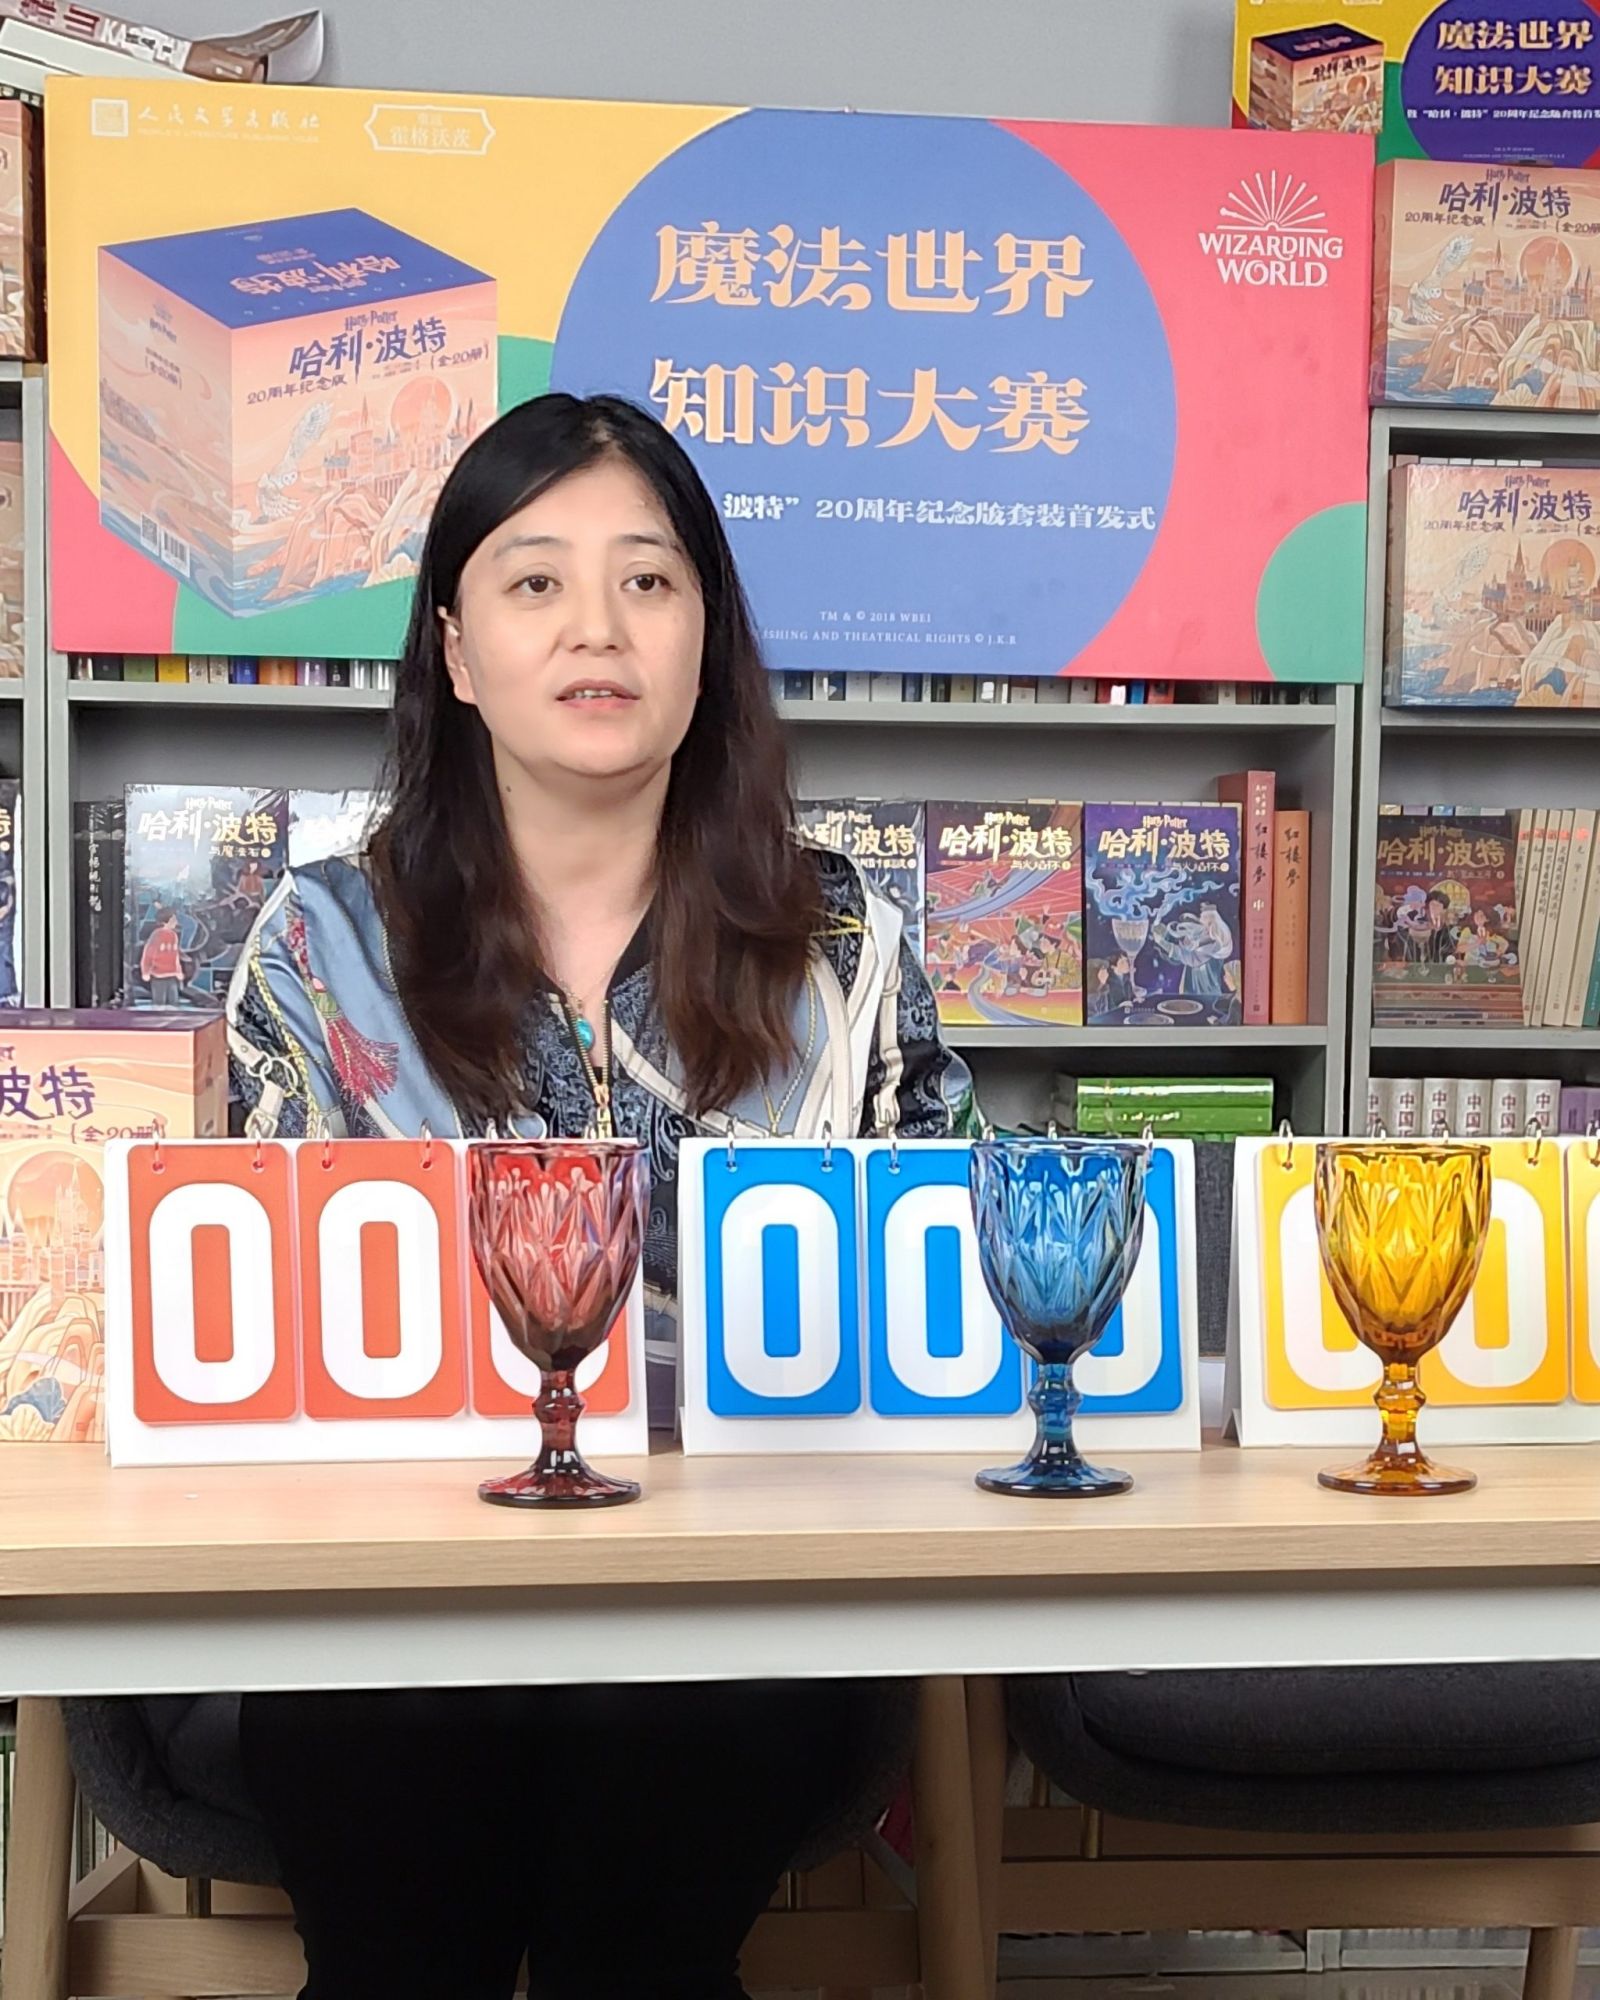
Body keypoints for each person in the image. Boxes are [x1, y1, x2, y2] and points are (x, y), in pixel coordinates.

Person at [219, 391, 975, 2000]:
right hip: (385, 1600)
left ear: (708, 642)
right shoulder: (317, 946)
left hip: (738, 1601)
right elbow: (253, 1357)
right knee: (393, 1830)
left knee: (668, 1813)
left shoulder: (845, 949)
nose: (597, 628)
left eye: (648, 579)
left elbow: (954, 1303)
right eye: (535, 581)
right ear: (456, 648)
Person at [138, 905, 184, 1004]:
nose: (176, 922)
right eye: (174, 919)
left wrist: (178, 971)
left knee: (174, 1002)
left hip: (172, 975)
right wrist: (145, 971)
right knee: (159, 1002)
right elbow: (148, 954)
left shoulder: (173, 935)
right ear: (167, 920)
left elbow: (175, 956)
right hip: (158, 976)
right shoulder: (157, 935)